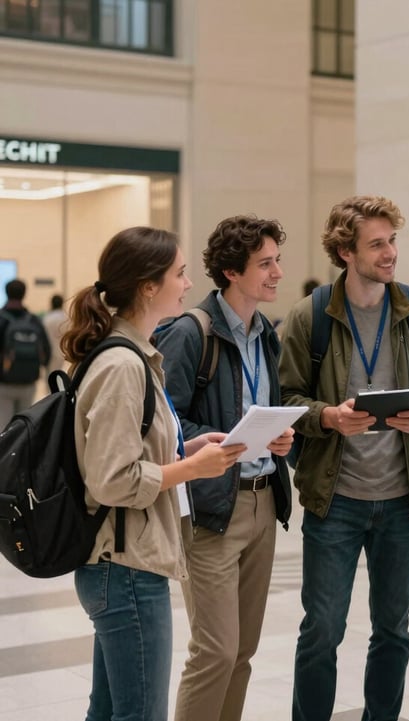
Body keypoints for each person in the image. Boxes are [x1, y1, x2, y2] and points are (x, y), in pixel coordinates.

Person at [61, 226, 245, 721]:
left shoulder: (132, 355)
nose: (188, 284)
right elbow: (112, 479)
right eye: (179, 273)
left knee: (109, 711)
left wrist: (186, 445)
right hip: (126, 567)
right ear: (147, 285)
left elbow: (128, 447)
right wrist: (190, 468)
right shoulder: (123, 365)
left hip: (119, 562)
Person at [279, 194, 409, 721]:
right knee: (321, 631)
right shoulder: (310, 318)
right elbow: (285, 400)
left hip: (403, 501)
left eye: (392, 240)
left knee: (393, 631)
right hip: (336, 500)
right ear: (346, 252)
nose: (390, 252)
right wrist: (327, 417)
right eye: (377, 244)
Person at [155, 214, 294, 721]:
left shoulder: (266, 335)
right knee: (214, 650)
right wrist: (198, 440)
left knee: (242, 652)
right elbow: (163, 421)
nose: (277, 271)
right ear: (232, 272)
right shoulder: (192, 332)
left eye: (278, 260)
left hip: (262, 500)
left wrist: (279, 438)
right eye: (265, 263)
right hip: (214, 507)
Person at [0, 278, 50, 427]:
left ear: (6, 293)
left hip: (4, 382)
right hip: (29, 381)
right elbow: (46, 351)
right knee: (23, 427)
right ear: (24, 294)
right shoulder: (33, 320)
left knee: (4, 428)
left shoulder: (1, 319)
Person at [42, 293, 69, 372]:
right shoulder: (66, 318)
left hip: (49, 353)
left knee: (49, 377)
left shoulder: (47, 318)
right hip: (63, 352)